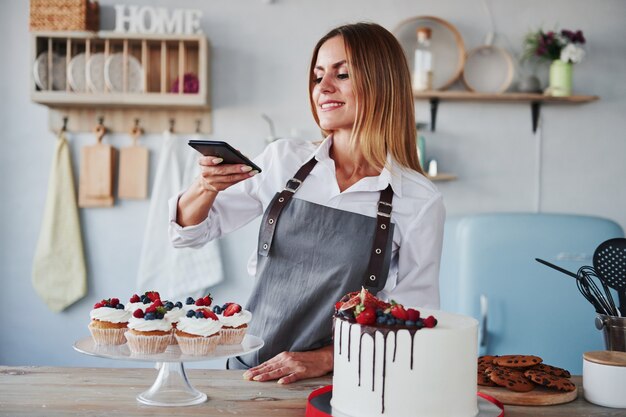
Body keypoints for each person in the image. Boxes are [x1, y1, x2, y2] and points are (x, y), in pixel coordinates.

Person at [168, 22, 445, 384]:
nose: (324, 88)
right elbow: (187, 235)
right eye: (317, 77)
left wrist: (325, 359)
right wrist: (205, 187)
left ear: (382, 83)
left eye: (342, 74)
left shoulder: (418, 200)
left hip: (347, 382)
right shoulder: (282, 159)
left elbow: (414, 318)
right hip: (250, 371)